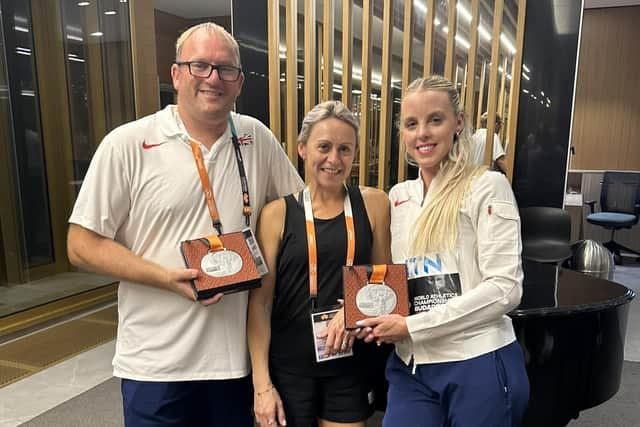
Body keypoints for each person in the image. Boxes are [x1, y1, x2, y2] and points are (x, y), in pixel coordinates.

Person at [66, 22, 303, 426]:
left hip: (235, 366)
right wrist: (164, 277)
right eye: (200, 66)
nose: (213, 78)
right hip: (157, 365)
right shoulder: (128, 144)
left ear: (240, 82)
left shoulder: (255, 138)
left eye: (225, 69)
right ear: (175, 74)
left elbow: (299, 215)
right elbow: (81, 244)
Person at [357, 76, 529, 426]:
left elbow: (505, 289)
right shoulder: (399, 195)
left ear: (458, 123)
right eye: (411, 124)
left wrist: (413, 326)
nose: (423, 133)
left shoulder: (487, 186)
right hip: (413, 366)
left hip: (477, 359)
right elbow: (400, 281)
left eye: (435, 120)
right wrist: (363, 310)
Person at [247, 101, 391, 427]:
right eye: (323, 147)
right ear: (302, 149)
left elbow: (385, 284)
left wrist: (355, 308)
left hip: (349, 366)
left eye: (345, 149)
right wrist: (261, 384)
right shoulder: (276, 214)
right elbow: (260, 304)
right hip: (288, 367)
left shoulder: (374, 204)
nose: (334, 159)